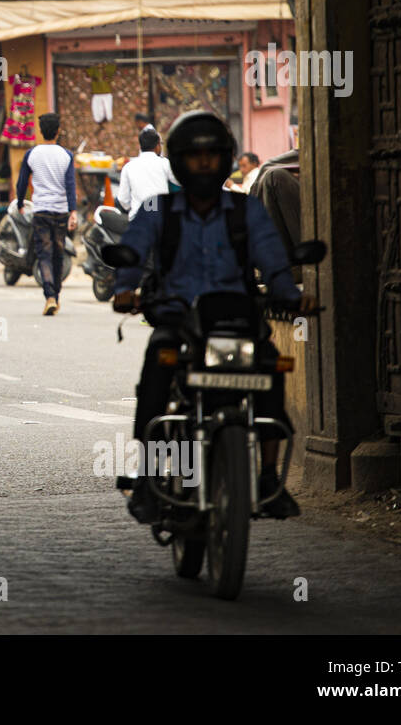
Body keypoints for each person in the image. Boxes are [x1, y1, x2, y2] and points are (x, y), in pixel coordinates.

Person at [111, 112, 317, 524]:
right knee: (156, 370)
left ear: (223, 159)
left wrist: (291, 295)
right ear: (179, 161)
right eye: (195, 156)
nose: (204, 164)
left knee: (271, 369)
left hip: (236, 320)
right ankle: (151, 478)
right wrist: (125, 289)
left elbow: (273, 261)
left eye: (211, 156)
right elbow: (132, 252)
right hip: (177, 319)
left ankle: (266, 476)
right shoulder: (157, 210)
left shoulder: (246, 210)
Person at [15, 112, 77, 315]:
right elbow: (70, 186)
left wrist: (20, 203)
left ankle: (49, 295)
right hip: (60, 212)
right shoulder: (66, 155)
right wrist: (73, 211)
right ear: (58, 131)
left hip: (41, 210)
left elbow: (22, 182)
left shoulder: (32, 154)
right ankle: (55, 296)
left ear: (41, 132)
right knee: (58, 254)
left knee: (44, 254)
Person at [116, 127, 178, 220]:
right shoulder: (165, 164)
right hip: (160, 217)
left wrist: (134, 207)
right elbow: (180, 180)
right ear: (157, 146)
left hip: (137, 218)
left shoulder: (128, 167)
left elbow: (122, 199)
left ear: (141, 146)